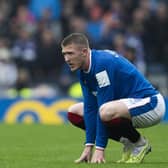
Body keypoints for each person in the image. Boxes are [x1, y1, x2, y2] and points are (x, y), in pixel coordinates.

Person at [61, 33, 165, 164]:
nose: (66, 58)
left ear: (84, 52)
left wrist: (100, 149)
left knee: (105, 111)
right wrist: (88, 146)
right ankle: (129, 141)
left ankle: (139, 143)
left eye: (70, 53)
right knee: (74, 112)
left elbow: (103, 106)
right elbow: (90, 108)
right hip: (126, 106)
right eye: (64, 54)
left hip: (151, 104)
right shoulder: (83, 71)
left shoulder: (101, 64)